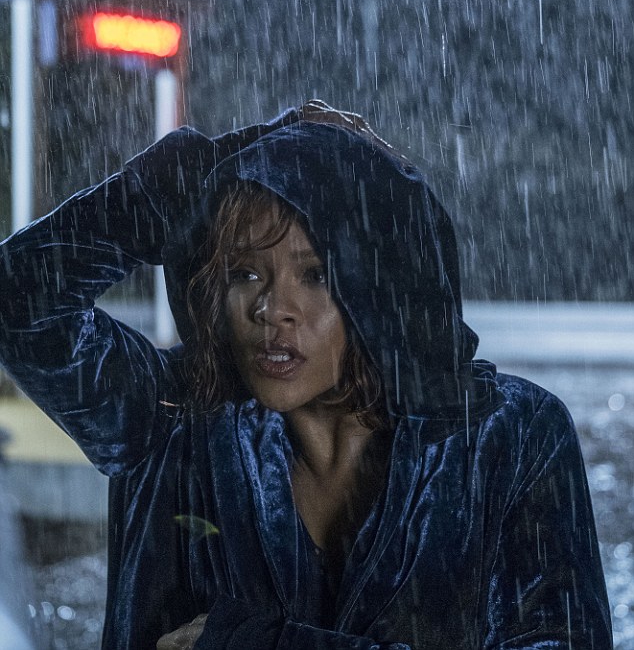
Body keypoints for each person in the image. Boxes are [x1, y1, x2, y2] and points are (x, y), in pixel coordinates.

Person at [0, 102, 612, 650]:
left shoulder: (508, 437)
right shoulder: (171, 419)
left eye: (315, 274)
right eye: (245, 273)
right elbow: (18, 296)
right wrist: (214, 165)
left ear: (380, 285)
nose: (272, 309)